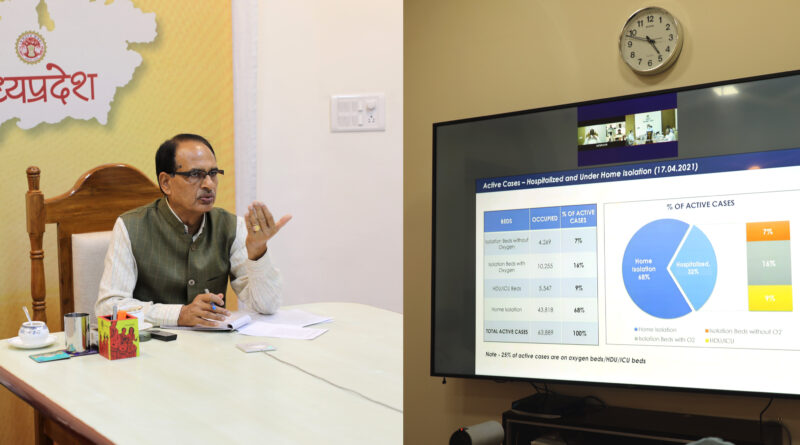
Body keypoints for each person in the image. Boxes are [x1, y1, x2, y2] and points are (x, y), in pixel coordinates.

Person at [95, 134, 291, 327]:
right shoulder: (131, 226)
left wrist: (257, 252)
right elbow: (108, 307)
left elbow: (267, 306)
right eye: (195, 175)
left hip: (212, 344)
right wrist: (178, 315)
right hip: (152, 344)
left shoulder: (232, 226)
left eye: (213, 173)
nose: (209, 185)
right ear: (166, 183)